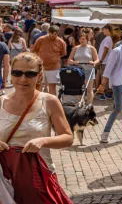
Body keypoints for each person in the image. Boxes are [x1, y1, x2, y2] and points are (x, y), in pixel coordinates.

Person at [0, 52, 73, 201]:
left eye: (30, 74)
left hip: (37, 177)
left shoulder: (49, 101)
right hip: (4, 178)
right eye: (17, 73)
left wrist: (42, 141)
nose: (22, 79)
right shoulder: (1, 102)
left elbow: (68, 137)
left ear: (40, 75)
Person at [32, 25, 67, 95]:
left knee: (52, 87)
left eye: (56, 34)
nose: (54, 36)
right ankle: (38, 102)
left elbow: (63, 54)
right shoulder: (41, 39)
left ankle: (52, 104)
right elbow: (34, 50)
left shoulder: (61, 42)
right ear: (49, 32)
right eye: (52, 34)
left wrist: (53, 58)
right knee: (39, 86)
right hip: (41, 67)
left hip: (54, 68)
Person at [68, 32, 99, 103]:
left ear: (87, 39)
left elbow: (97, 59)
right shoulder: (76, 48)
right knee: (79, 88)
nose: (81, 40)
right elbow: (69, 60)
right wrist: (74, 62)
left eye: (83, 39)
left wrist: (93, 63)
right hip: (78, 71)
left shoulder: (91, 48)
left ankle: (89, 104)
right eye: (80, 39)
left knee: (89, 89)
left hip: (89, 70)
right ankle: (80, 103)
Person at [95, 25, 114, 100]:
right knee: (104, 76)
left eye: (104, 29)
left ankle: (107, 93)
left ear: (107, 29)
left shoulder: (107, 39)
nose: (103, 31)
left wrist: (101, 60)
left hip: (105, 61)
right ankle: (106, 92)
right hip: (105, 61)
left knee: (105, 76)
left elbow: (105, 50)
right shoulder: (107, 38)